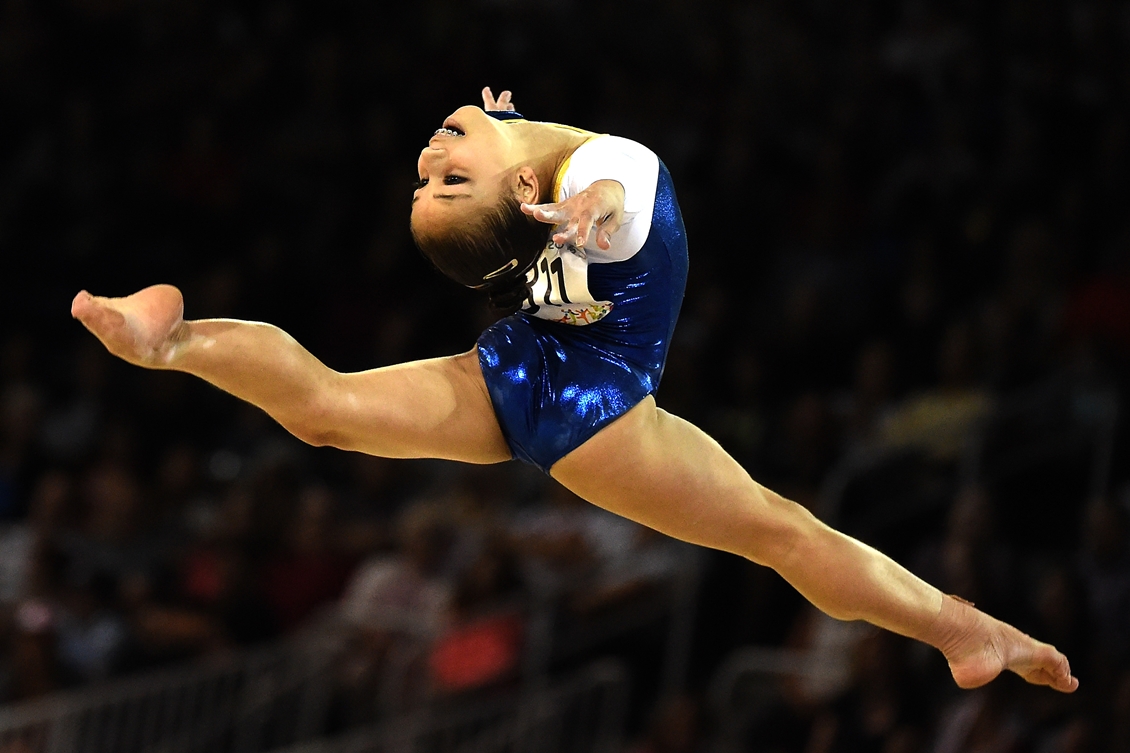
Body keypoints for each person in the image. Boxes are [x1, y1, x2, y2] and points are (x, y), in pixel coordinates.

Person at [70, 87, 1077, 694]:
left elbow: (592, 194)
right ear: (519, 196)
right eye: (439, 179)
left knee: (780, 535)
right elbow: (606, 194)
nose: (426, 159)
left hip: (560, 384)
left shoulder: (580, 172)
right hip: (560, 385)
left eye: (430, 176)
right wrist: (575, 212)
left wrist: (558, 198)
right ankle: (174, 341)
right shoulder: (602, 170)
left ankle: (959, 628)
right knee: (327, 412)